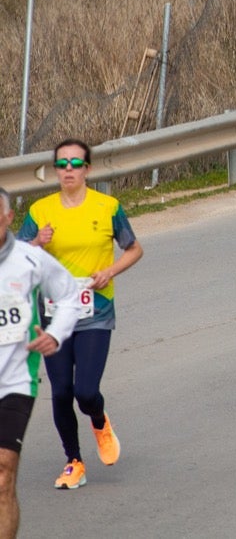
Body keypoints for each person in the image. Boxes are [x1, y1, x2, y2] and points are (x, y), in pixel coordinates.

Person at [17, 141, 143, 491]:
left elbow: (134, 249)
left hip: (95, 311)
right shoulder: (41, 211)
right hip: (53, 315)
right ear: (55, 170)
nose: (68, 170)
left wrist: (110, 271)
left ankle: (99, 421)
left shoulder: (108, 207)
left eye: (75, 163)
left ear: (87, 168)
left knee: (85, 391)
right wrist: (36, 243)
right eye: (61, 164)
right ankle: (74, 461)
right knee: (60, 392)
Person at [0, 184, 83, 529]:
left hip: (16, 381)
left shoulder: (30, 260)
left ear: (8, 217)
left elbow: (69, 295)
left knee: (3, 474)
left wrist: (54, 334)